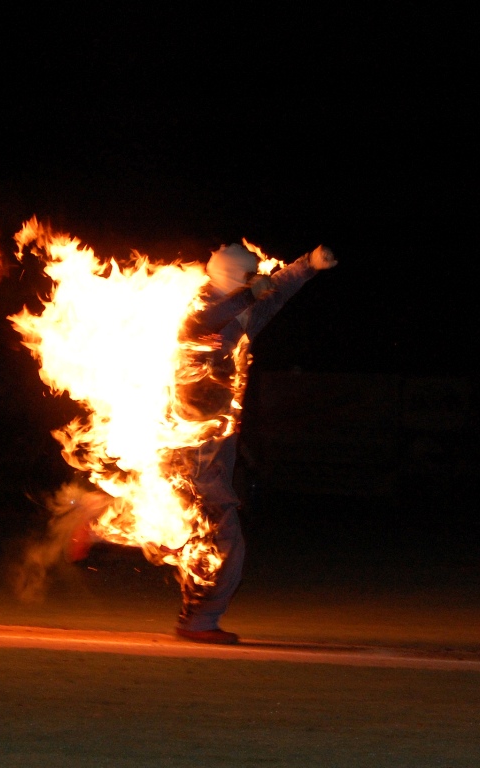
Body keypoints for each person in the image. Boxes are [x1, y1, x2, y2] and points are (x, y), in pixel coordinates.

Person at [172, 242, 338, 643]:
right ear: (235, 280)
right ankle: (200, 621)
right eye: (249, 278)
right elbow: (212, 316)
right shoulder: (196, 311)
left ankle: (100, 514)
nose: (258, 283)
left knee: (199, 534)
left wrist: (307, 266)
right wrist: (251, 291)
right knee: (223, 540)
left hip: (211, 446)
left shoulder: (239, 316)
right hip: (193, 451)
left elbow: (273, 295)